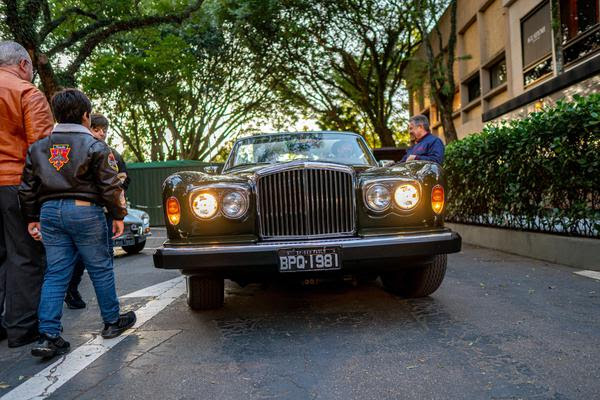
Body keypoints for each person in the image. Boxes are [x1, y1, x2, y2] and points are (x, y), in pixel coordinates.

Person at [19, 88, 136, 358]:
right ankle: (111, 321)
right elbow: (110, 185)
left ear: (56, 114)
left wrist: (31, 218)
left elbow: (27, 189)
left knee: (56, 273)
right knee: (100, 268)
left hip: (49, 212)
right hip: (85, 211)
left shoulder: (38, 147)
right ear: (86, 116)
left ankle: (48, 335)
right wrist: (118, 215)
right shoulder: (96, 146)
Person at [0, 41, 54, 347]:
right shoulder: (26, 92)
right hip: (13, 182)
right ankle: (21, 328)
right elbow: (41, 151)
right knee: (25, 255)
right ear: (22, 64)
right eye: (31, 68)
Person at [65, 113, 130, 310]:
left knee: (105, 255)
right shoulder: (76, 150)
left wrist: (117, 208)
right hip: (85, 211)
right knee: (81, 256)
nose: (101, 133)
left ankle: (106, 300)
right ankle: (75, 290)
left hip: (105, 211)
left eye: (104, 130)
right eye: (96, 129)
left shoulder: (112, 153)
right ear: (86, 127)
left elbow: (123, 180)